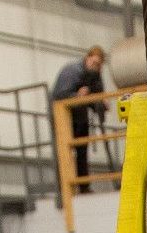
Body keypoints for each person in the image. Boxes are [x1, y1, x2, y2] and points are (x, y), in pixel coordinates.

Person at [51, 45, 107, 192]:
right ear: (87, 58)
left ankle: (84, 186)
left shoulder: (94, 75)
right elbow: (58, 97)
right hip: (65, 120)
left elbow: (95, 96)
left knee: (82, 150)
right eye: (94, 63)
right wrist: (77, 96)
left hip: (80, 118)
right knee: (65, 152)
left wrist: (100, 103)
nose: (96, 68)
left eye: (99, 65)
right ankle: (65, 189)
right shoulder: (71, 72)